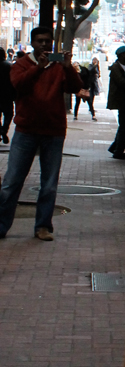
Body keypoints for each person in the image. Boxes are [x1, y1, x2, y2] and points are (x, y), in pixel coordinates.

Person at [0, 26, 84, 240]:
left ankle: (43, 226)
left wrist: (68, 68)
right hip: (26, 131)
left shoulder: (59, 67)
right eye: (40, 41)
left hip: (53, 131)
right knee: (12, 181)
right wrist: (39, 67)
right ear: (32, 42)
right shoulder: (21, 64)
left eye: (48, 41)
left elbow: (76, 88)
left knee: (49, 183)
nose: (45, 45)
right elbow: (19, 85)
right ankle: (1, 225)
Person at [107, 46, 125, 156]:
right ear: (121, 55)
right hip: (121, 102)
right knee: (124, 126)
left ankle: (115, 147)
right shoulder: (115, 68)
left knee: (124, 126)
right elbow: (121, 82)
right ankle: (118, 151)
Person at [0, 48, 13, 143]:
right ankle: (4, 130)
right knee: (8, 114)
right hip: (7, 95)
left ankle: (1, 130)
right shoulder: (9, 66)